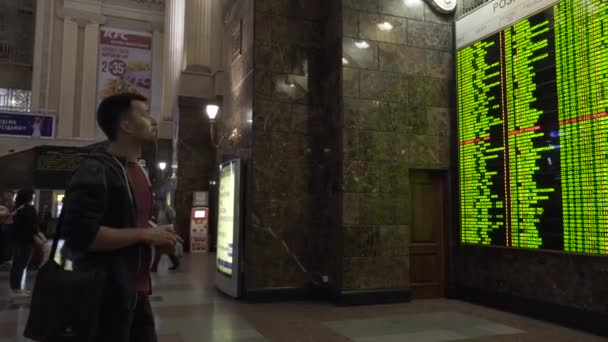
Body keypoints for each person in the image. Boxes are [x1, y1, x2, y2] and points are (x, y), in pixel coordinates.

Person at [62, 93, 182, 342]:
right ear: (126, 126)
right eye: (145, 114)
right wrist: (144, 234)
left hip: (136, 292)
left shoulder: (137, 170)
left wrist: (154, 234)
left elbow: (128, 222)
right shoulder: (96, 169)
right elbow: (81, 236)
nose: (153, 121)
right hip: (106, 295)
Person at [10, 189, 38, 297]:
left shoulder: (17, 208)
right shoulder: (30, 209)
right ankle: (17, 288)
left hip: (17, 239)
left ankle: (16, 287)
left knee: (17, 264)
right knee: (21, 264)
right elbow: (33, 224)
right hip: (27, 240)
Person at [151, 200, 180, 272]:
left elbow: (173, 220)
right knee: (167, 250)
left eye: (161, 202)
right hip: (161, 232)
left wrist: (172, 232)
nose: (160, 204)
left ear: (164, 202)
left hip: (167, 232)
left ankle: (154, 267)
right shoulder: (161, 210)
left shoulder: (169, 210)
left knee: (159, 250)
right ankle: (176, 262)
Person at [0, 190, 15, 264]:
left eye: (8, 195)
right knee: (3, 242)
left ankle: (8, 258)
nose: (6, 196)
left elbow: (14, 215)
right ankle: (4, 258)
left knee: (8, 242)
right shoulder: (3, 204)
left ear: (12, 196)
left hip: (10, 225)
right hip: (3, 224)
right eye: (6, 195)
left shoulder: (14, 205)